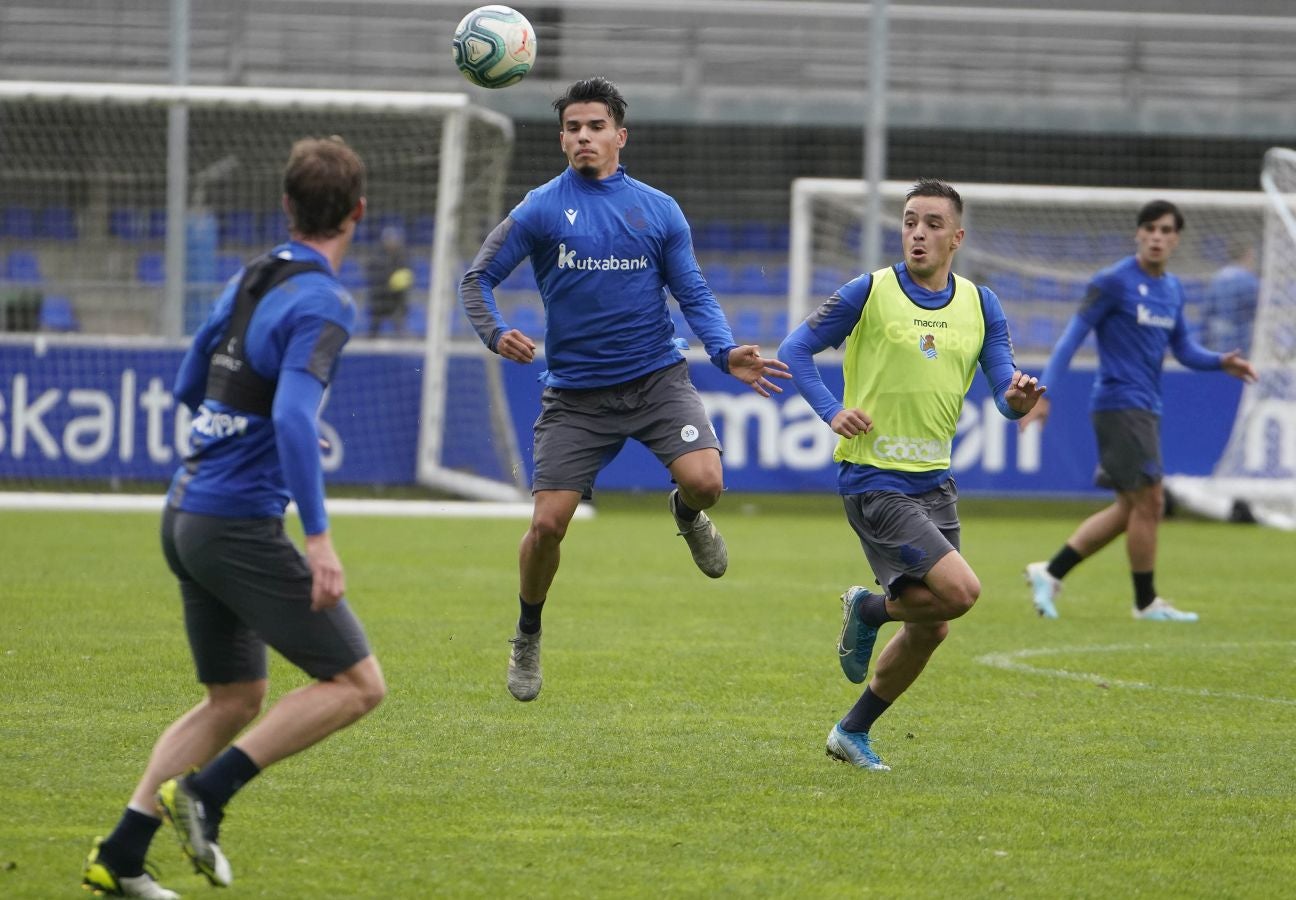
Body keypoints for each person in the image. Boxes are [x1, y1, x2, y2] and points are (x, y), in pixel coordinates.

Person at [82, 136, 386, 899]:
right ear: (357, 212)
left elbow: (190, 382)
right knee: (357, 685)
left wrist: (241, 431)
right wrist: (320, 540)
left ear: (286, 206)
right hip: (236, 525)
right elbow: (292, 417)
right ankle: (206, 794)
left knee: (236, 697)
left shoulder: (251, 275)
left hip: (186, 511)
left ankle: (120, 856)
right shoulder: (325, 301)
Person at [459, 76, 790, 703]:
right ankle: (527, 633)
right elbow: (476, 279)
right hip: (576, 397)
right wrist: (495, 333)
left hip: (656, 380)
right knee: (547, 526)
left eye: (596, 126)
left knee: (707, 484)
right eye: (573, 128)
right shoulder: (540, 208)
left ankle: (685, 514)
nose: (583, 136)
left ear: (620, 136)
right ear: (562, 139)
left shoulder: (658, 209)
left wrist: (724, 353)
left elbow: (692, 291)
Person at [777, 178, 1044, 771]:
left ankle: (851, 731)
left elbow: (1004, 392)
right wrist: (832, 411)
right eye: (909, 222)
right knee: (961, 594)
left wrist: (1018, 401)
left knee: (932, 627)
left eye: (931, 224)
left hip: (935, 483)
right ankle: (870, 610)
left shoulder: (981, 304)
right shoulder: (869, 291)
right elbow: (795, 349)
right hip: (875, 478)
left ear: (957, 237)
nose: (917, 233)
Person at [1021, 200, 1257, 622]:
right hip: (1119, 403)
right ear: (1138, 233)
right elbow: (1070, 339)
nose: (1157, 237)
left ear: (1176, 239)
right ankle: (1146, 603)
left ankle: (1051, 571)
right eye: (1150, 228)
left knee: (1131, 508)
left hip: (1147, 406)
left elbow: (1183, 348)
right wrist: (1045, 394)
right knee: (1152, 501)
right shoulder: (1113, 282)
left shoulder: (1172, 290)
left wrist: (1220, 361)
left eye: (1166, 231)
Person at [1201, 239, 1259, 356]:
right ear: (1246, 255)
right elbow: (1257, 308)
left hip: (1219, 338)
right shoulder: (1248, 279)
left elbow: (1207, 309)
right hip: (1242, 338)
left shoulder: (1217, 277)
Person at [364, 223, 413, 337]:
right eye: (389, 240)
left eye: (394, 240)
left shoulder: (402, 257)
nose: (392, 243)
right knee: (375, 326)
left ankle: (403, 340)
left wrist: (399, 283)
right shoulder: (377, 256)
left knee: (399, 323)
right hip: (380, 297)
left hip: (396, 298)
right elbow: (372, 274)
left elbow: (406, 274)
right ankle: (371, 340)